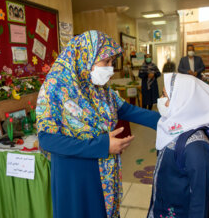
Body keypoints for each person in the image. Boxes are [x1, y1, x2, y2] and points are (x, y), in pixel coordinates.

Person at [36, 30, 161, 218]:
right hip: (75, 174)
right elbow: (46, 140)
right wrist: (102, 145)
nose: (110, 68)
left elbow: (127, 110)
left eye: (112, 62)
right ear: (85, 56)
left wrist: (167, 122)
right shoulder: (54, 87)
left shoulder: (100, 89)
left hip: (104, 169)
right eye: (106, 62)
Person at [147, 73, 209, 218]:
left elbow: (200, 202)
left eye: (164, 95)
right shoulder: (175, 127)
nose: (160, 100)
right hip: (166, 204)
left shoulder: (197, 148)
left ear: (182, 101)